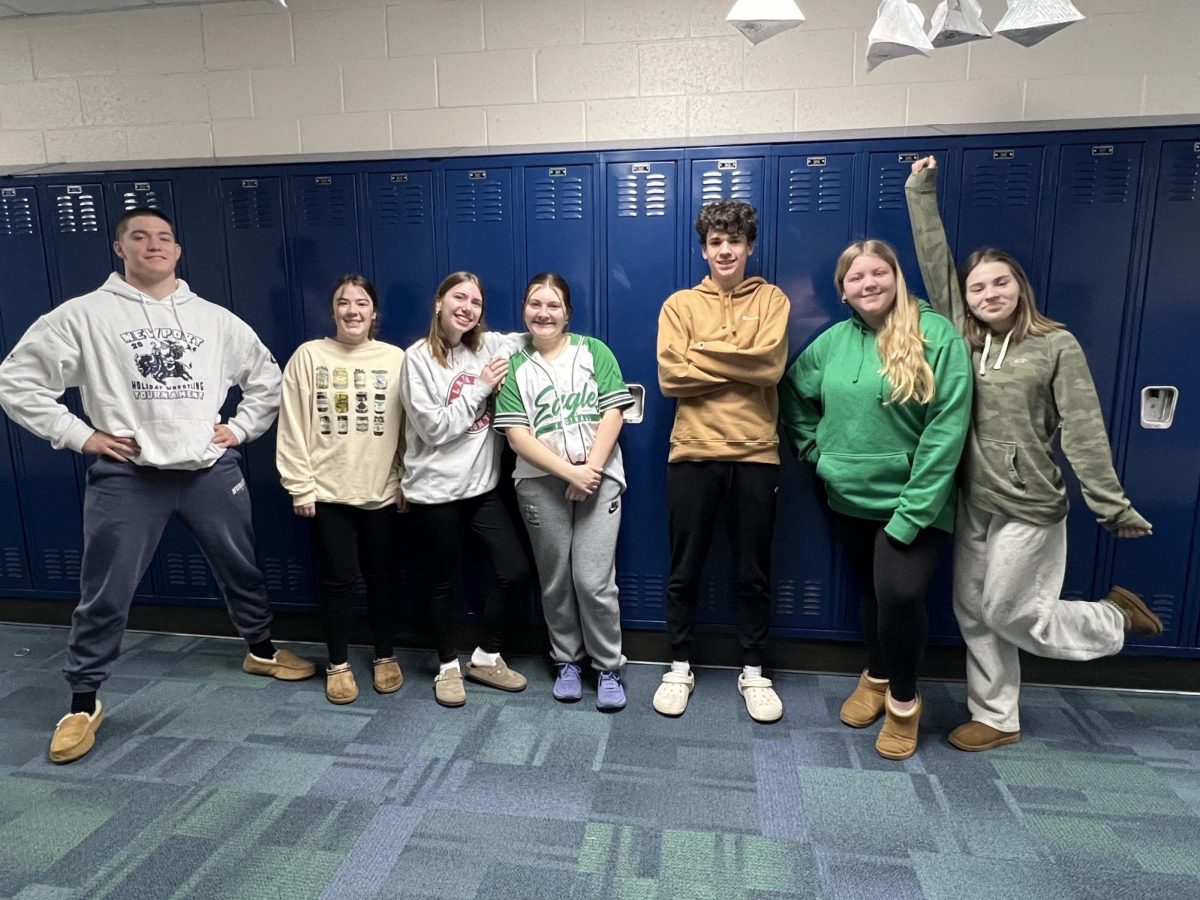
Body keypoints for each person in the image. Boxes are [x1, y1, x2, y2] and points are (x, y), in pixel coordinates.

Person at [0, 207, 314, 765]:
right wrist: (78, 434)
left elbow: (267, 380)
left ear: (178, 250)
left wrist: (239, 429)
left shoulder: (215, 320)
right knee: (106, 589)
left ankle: (260, 649)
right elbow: (16, 382)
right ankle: (82, 700)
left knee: (241, 566)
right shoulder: (83, 317)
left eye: (164, 237)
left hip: (208, 471)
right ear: (118, 249)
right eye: (139, 237)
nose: (154, 245)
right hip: (128, 477)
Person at [905, 156, 1161, 752]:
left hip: (1029, 502)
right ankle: (996, 716)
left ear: (1020, 286)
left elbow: (1083, 427)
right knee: (973, 612)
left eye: (1000, 282)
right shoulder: (963, 336)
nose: (989, 293)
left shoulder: (1054, 344)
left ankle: (1113, 620)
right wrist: (921, 191)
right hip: (973, 497)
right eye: (977, 286)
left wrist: (1111, 505)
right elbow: (935, 262)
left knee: (1009, 611)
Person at [780, 239, 973, 760]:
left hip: (914, 501)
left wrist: (913, 511)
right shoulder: (832, 343)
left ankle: (905, 704)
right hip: (848, 496)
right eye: (855, 278)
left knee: (902, 596)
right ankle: (877, 675)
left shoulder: (936, 335)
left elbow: (946, 430)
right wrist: (815, 452)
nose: (868, 285)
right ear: (842, 291)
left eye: (877, 274)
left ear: (896, 277)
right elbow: (792, 394)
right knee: (872, 593)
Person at [654, 199, 791, 723]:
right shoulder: (680, 305)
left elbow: (771, 366)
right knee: (683, 571)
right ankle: (678, 665)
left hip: (757, 454)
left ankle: (754, 671)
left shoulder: (772, 299)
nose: (726, 250)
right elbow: (670, 377)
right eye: (716, 242)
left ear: (749, 246)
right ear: (704, 248)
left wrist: (703, 352)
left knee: (753, 572)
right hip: (693, 451)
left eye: (735, 241)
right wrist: (741, 361)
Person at [494, 273, 635, 711]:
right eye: (535, 304)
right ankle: (567, 662)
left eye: (553, 305)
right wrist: (568, 474)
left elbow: (614, 411)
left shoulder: (594, 351)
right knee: (555, 580)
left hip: (599, 476)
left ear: (567, 313)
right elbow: (517, 436)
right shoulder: (516, 365)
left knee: (593, 581)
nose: (543, 313)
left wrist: (590, 470)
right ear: (524, 311)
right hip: (540, 482)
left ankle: (608, 666)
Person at [398, 272, 531, 707]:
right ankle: (446, 666)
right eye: (459, 297)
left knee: (514, 570)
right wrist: (480, 388)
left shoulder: (490, 346)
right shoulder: (417, 359)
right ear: (438, 302)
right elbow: (434, 429)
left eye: (476, 301)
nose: (468, 307)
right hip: (434, 493)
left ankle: (486, 656)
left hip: (481, 489)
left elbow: (536, 334)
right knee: (441, 583)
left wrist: (565, 331)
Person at [276, 275, 407, 705]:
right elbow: (292, 423)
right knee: (338, 581)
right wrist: (300, 486)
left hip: (383, 492)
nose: (353, 310)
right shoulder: (309, 356)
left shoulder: (395, 358)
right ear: (332, 311)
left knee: (383, 580)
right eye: (343, 302)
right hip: (328, 492)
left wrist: (406, 478)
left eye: (362, 303)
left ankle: (385, 656)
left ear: (374, 313)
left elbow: (410, 426)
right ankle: (338, 663)